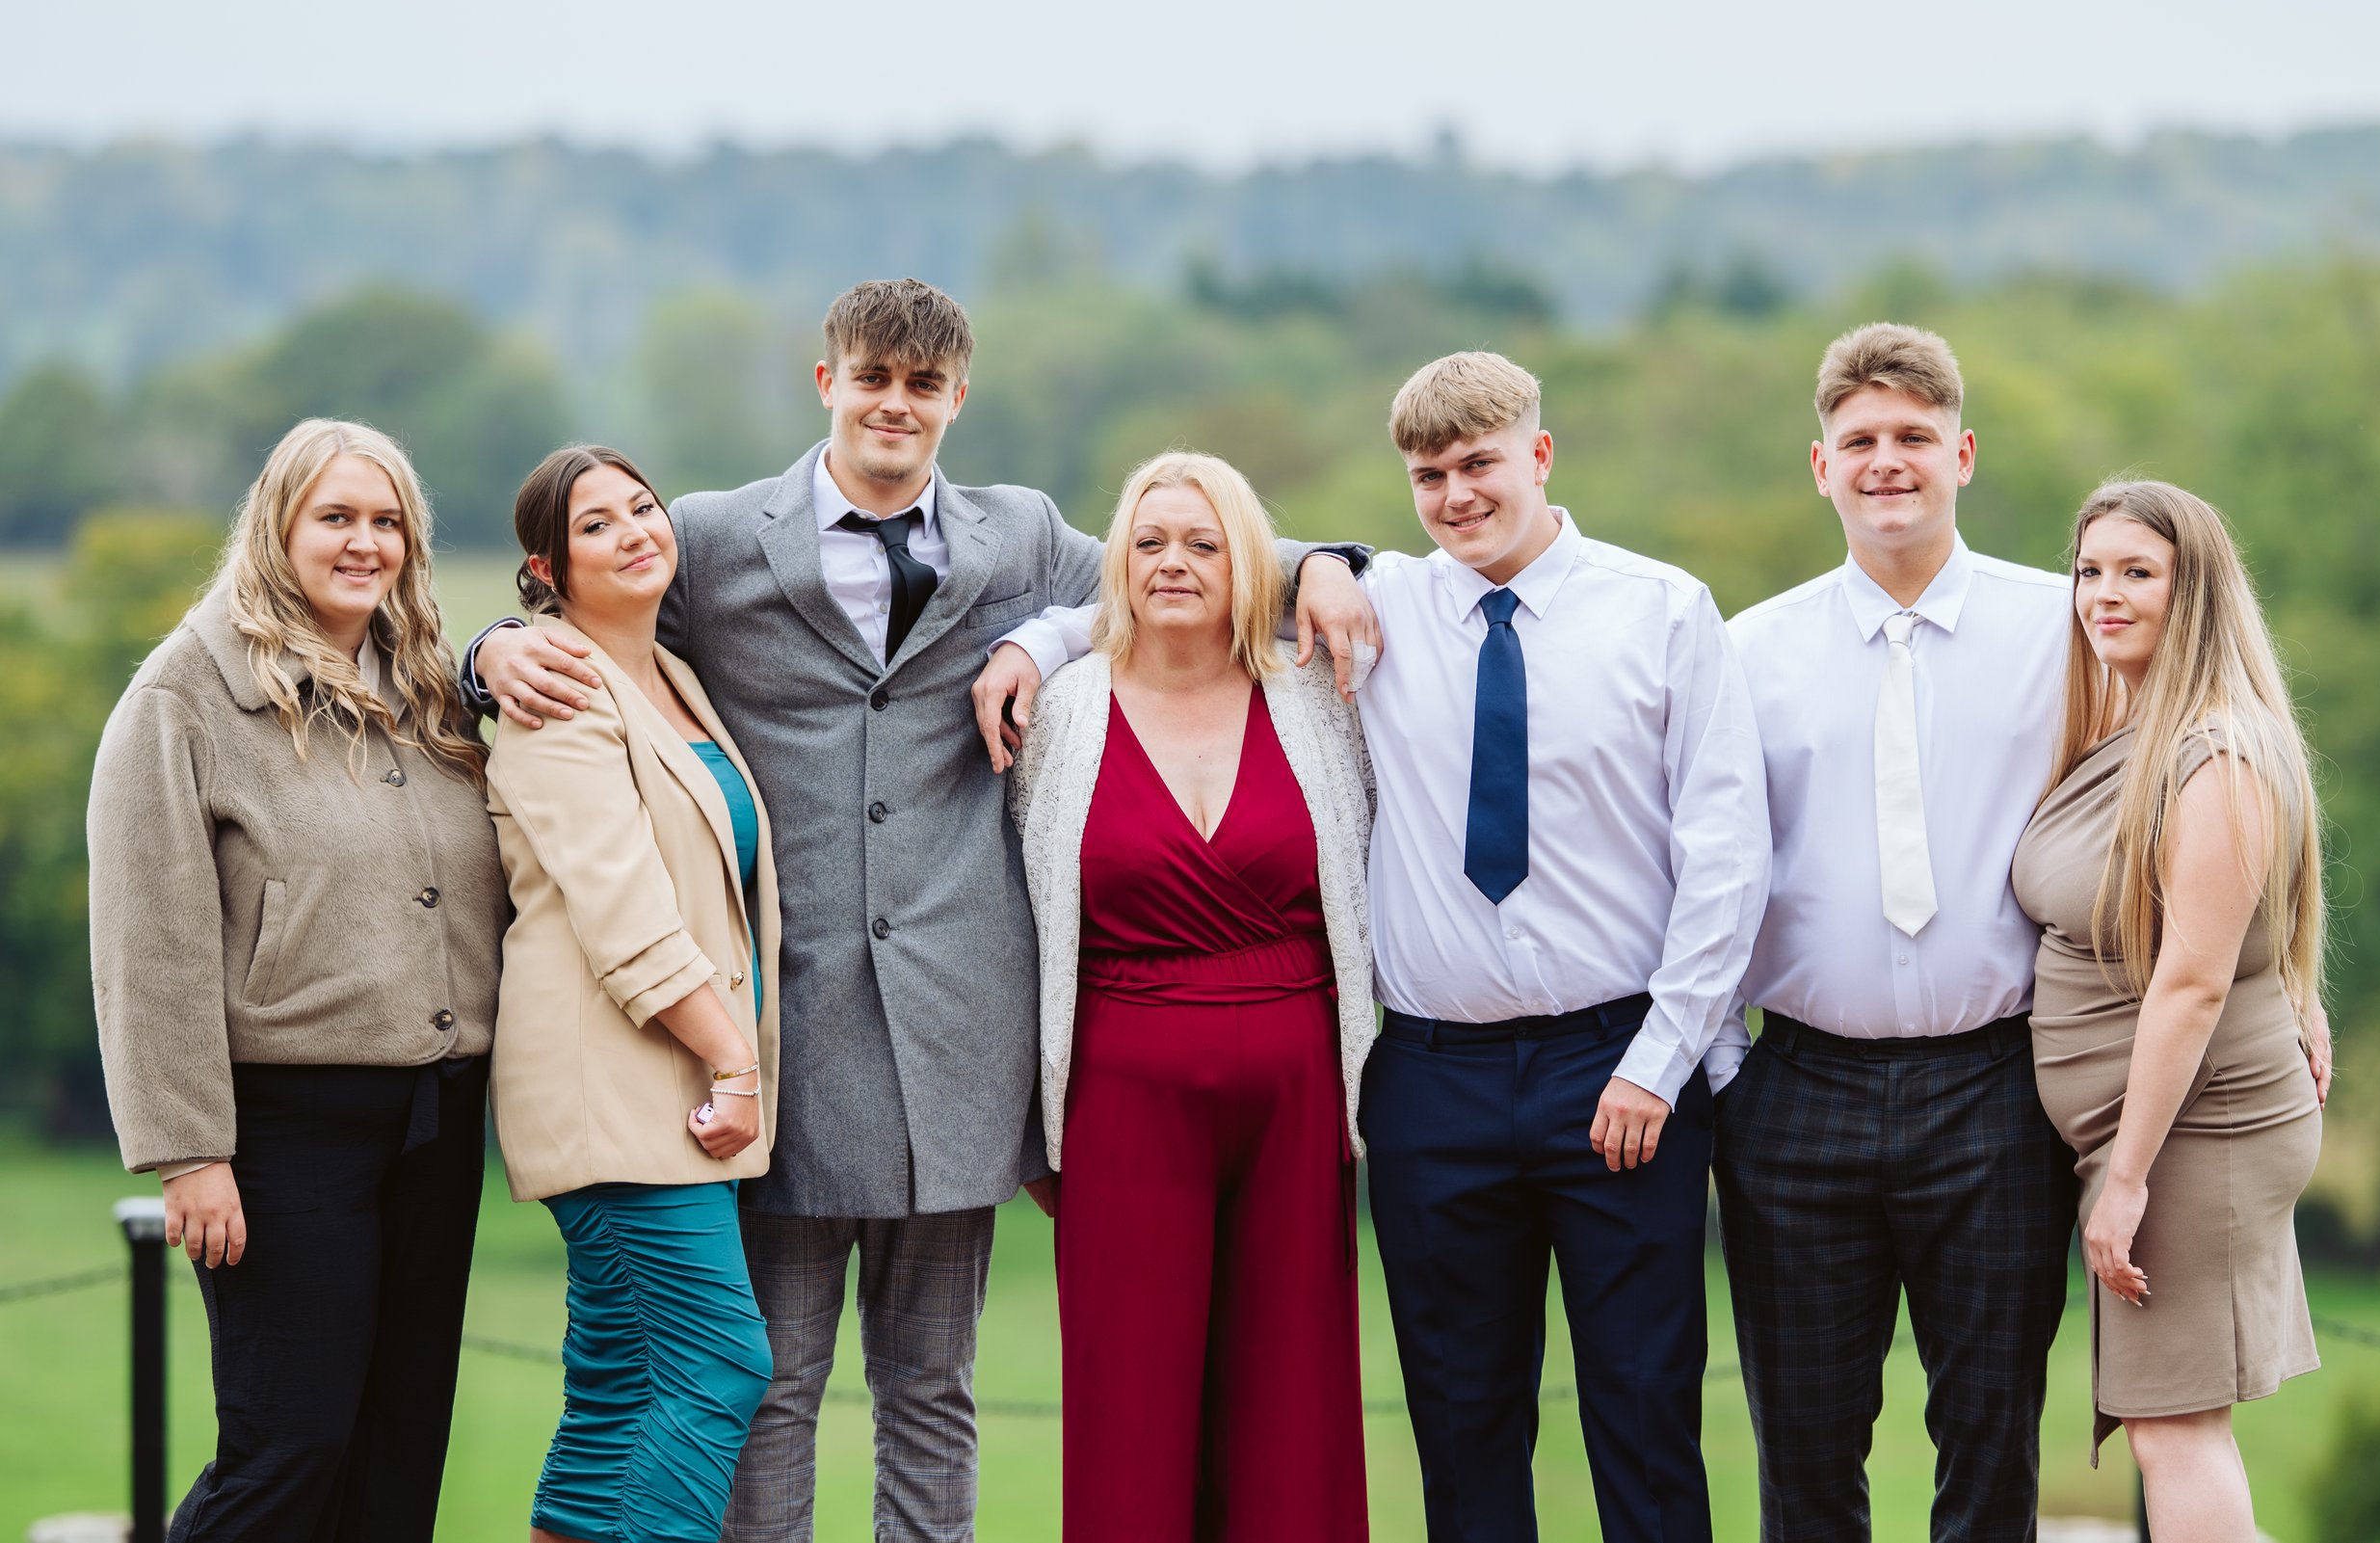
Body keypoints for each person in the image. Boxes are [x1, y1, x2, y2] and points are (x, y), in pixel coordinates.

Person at [464, 278, 1377, 1539]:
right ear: (828, 381)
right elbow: (585, 593)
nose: (896, 404)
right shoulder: (719, 535)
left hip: (959, 1044)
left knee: (932, 1391)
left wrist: (1326, 565)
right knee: (772, 1391)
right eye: (873, 377)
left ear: (958, 398)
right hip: (784, 1042)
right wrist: (485, 652)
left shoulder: (1019, 534)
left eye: (924, 385)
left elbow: (1179, 560)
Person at [981, 352, 1770, 1543]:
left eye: (1480, 465)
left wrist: (1663, 1059)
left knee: (1646, 1413)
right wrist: (1033, 646)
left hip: (1616, 1067)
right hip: (1432, 1080)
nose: (1457, 494)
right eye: (1428, 474)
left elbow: (1726, 851)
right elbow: (1165, 581)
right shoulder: (1373, 610)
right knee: (1459, 1426)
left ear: (1539, 456)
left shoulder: (1662, 609)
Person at [88, 418, 505, 1541]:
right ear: (276, 527)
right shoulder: (183, 698)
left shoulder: (425, 685)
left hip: (439, 1115)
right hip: (282, 1133)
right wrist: (189, 1151)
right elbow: (148, 940)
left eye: (387, 522)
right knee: (289, 1449)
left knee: (398, 1447)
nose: (364, 542)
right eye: (336, 517)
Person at [1714, 323, 2081, 1541]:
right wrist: (1723, 1069)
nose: (1887, 460)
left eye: (1913, 437)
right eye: (1858, 439)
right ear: (1818, 466)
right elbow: (1701, 873)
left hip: (1997, 1086)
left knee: (1990, 1445)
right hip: (1799, 1088)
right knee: (1805, 1456)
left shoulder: (2064, 632)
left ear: (1962, 454)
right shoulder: (1744, 652)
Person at [1006, 452, 1376, 1542]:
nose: (1174, 562)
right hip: (1121, 1094)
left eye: (1203, 542)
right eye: (1150, 541)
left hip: (1300, 1097)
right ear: (1115, 561)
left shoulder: (1319, 693)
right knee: (1130, 1408)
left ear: (1250, 561)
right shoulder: (1059, 711)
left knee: (1291, 1406)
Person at [2011, 479, 2328, 1542]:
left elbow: (2193, 976)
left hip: (2195, 1135)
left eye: (2136, 571)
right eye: (2089, 570)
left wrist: (2127, 1179)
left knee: (2174, 1431)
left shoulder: (2217, 753)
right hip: (2149, 1133)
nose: (2103, 593)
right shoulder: (2135, 722)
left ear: (2192, 591)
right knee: (2173, 1425)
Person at [486, 445, 779, 1543]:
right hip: (612, 1088)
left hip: (668, 1082)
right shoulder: (557, 686)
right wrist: (735, 1062)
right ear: (546, 567)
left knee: (616, 1387)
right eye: (597, 524)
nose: (635, 530)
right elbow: (627, 920)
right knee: (718, 1359)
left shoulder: (670, 673)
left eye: (643, 508)